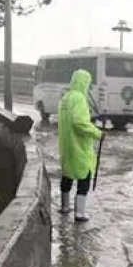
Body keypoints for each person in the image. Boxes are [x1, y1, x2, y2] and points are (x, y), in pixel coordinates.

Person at [57, 69, 103, 223]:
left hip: (66, 145)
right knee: (85, 177)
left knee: (67, 175)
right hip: (79, 146)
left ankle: (64, 207)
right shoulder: (80, 99)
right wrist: (97, 133)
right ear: (84, 83)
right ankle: (80, 213)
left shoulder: (66, 98)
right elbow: (79, 122)